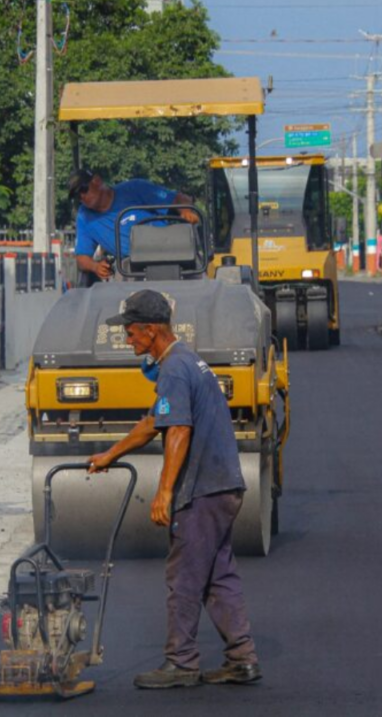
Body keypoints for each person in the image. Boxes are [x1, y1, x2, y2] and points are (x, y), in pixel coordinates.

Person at [88, 289, 261, 690]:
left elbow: (179, 430)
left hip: (202, 490)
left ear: (150, 331)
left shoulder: (175, 369)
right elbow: (155, 422)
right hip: (224, 486)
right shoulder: (186, 362)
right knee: (218, 575)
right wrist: (110, 455)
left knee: (184, 576)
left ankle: (181, 662)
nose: (127, 339)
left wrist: (165, 493)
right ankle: (242, 658)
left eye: (130, 332)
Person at [72, 168, 198, 281]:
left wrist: (185, 210)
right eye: (76, 196)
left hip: (171, 254)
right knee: (120, 290)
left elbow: (177, 198)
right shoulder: (84, 217)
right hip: (129, 267)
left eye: (84, 189)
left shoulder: (135, 188)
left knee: (195, 272)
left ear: (97, 181)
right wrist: (95, 267)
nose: (82, 197)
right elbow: (81, 258)